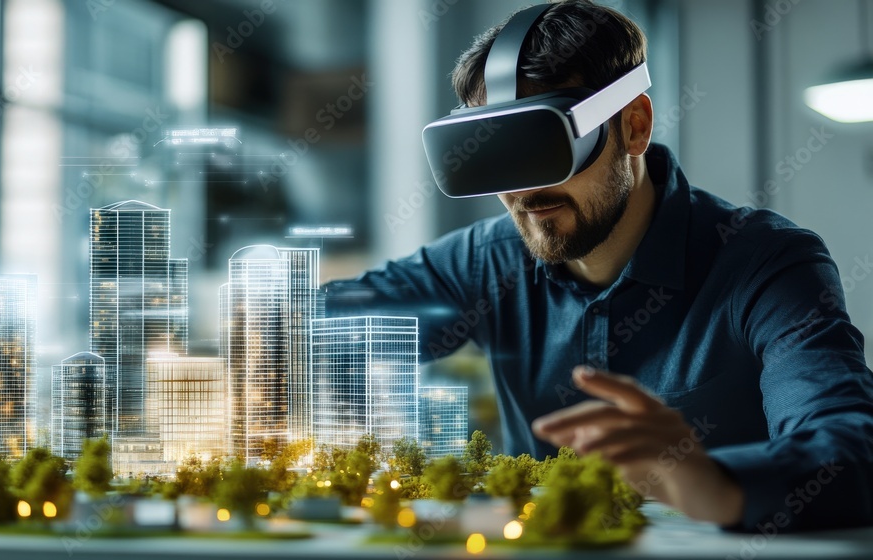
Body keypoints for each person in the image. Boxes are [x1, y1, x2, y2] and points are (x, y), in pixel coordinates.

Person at [324, 0, 873, 532]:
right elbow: (323, 326)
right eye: (494, 153)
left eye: (544, 145)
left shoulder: (766, 264)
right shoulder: (485, 262)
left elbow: (850, 449)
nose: (525, 190)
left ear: (634, 125)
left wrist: (709, 482)